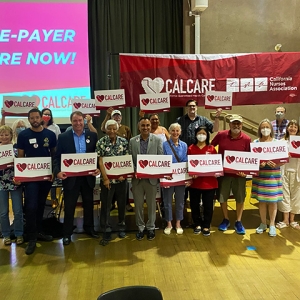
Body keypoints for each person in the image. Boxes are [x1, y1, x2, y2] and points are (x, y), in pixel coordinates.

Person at [54, 111, 100, 246]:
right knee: (69, 207)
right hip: (70, 178)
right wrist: (57, 172)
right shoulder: (63, 137)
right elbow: (57, 158)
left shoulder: (92, 135)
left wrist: (97, 167)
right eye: (75, 121)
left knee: (88, 204)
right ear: (71, 122)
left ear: (84, 121)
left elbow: (97, 156)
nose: (78, 123)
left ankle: (89, 228)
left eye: (80, 120)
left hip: (87, 177)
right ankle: (67, 233)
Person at [17, 108, 57, 255]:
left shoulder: (50, 135)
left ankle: (39, 231)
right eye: (31, 118)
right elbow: (20, 157)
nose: (34, 120)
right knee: (31, 206)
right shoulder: (23, 135)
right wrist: (20, 175)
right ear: (29, 120)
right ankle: (32, 237)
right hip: (30, 178)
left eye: (36, 117)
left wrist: (53, 172)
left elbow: (54, 155)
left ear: (41, 118)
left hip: (46, 177)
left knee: (41, 204)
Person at [211, 114, 251, 235]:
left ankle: (238, 221)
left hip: (240, 176)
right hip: (224, 174)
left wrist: (247, 172)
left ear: (242, 125)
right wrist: (214, 164)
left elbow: (250, 158)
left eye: (238, 123)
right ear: (230, 124)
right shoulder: (221, 135)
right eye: (234, 123)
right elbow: (211, 147)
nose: (236, 125)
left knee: (240, 197)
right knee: (223, 197)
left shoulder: (247, 139)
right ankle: (226, 219)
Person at [129, 117, 163, 241]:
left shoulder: (158, 140)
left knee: (151, 204)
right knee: (138, 205)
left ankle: (151, 227)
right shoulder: (132, 141)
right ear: (139, 127)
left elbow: (160, 158)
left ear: (150, 126)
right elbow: (130, 159)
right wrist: (134, 170)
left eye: (148, 125)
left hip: (151, 180)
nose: (145, 128)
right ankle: (140, 228)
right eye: (143, 125)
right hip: (137, 179)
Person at [252, 119, 284, 237]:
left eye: (267, 127)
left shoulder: (277, 143)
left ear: (271, 129)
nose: (265, 129)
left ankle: (272, 224)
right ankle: (263, 223)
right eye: (263, 127)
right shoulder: (255, 143)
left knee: (272, 201)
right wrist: (258, 164)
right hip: (260, 176)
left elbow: (283, 161)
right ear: (259, 130)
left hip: (273, 176)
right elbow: (252, 161)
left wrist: (277, 163)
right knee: (262, 201)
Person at [97, 120, 128, 240]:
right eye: (109, 128)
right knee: (106, 204)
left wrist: (123, 174)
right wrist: (105, 178)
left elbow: (126, 159)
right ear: (105, 129)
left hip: (121, 180)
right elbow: (100, 161)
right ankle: (105, 228)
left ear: (117, 129)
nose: (112, 131)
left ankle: (121, 227)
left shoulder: (124, 142)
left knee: (121, 204)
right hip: (107, 180)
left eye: (114, 128)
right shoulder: (101, 142)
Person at [188, 126, 218, 236]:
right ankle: (197, 224)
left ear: (207, 135)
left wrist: (216, 172)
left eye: (203, 133)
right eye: (199, 133)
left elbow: (216, 165)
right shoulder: (191, 148)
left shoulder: (212, 149)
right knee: (194, 204)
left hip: (209, 183)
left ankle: (206, 225)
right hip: (195, 183)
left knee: (208, 206)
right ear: (195, 135)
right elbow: (188, 165)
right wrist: (192, 173)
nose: (201, 135)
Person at [162, 123, 188, 235]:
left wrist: (188, 178)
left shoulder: (185, 145)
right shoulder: (164, 144)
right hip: (168, 177)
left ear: (180, 132)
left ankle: (178, 223)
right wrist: (163, 177)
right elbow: (162, 161)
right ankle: (169, 223)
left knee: (180, 202)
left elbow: (186, 162)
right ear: (169, 132)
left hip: (181, 178)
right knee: (167, 202)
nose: (175, 133)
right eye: (173, 130)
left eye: (177, 130)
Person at [0, 125, 23, 245]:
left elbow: (21, 166)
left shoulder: (16, 150)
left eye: (6, 134)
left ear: (11, 135)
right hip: (1, 185)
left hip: (15, 183)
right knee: (3, 212)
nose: (4, 137)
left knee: (18, 210)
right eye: (1, 135)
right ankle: (6, 234)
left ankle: (19, 233)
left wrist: (19, 178)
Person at [276, 120, 300, 229]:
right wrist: (286, 155)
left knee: (296, 196)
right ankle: (285, 220)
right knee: (284, 195)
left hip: (297, 172)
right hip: (284, 171)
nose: (293, 128)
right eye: (291, 126)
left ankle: (292, 220)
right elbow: (277, 156)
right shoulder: (281, 142)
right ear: (287, 128)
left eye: (295, 127)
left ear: (298, 129)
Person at [41, 108, 61, 208]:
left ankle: (53, 198)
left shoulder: (55, 127)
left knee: (52, 178)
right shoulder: (37, 127)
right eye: (45, 114)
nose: (47, 116)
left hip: (52, 156)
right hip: (40, 158)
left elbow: (58, 141)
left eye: (49, 114)